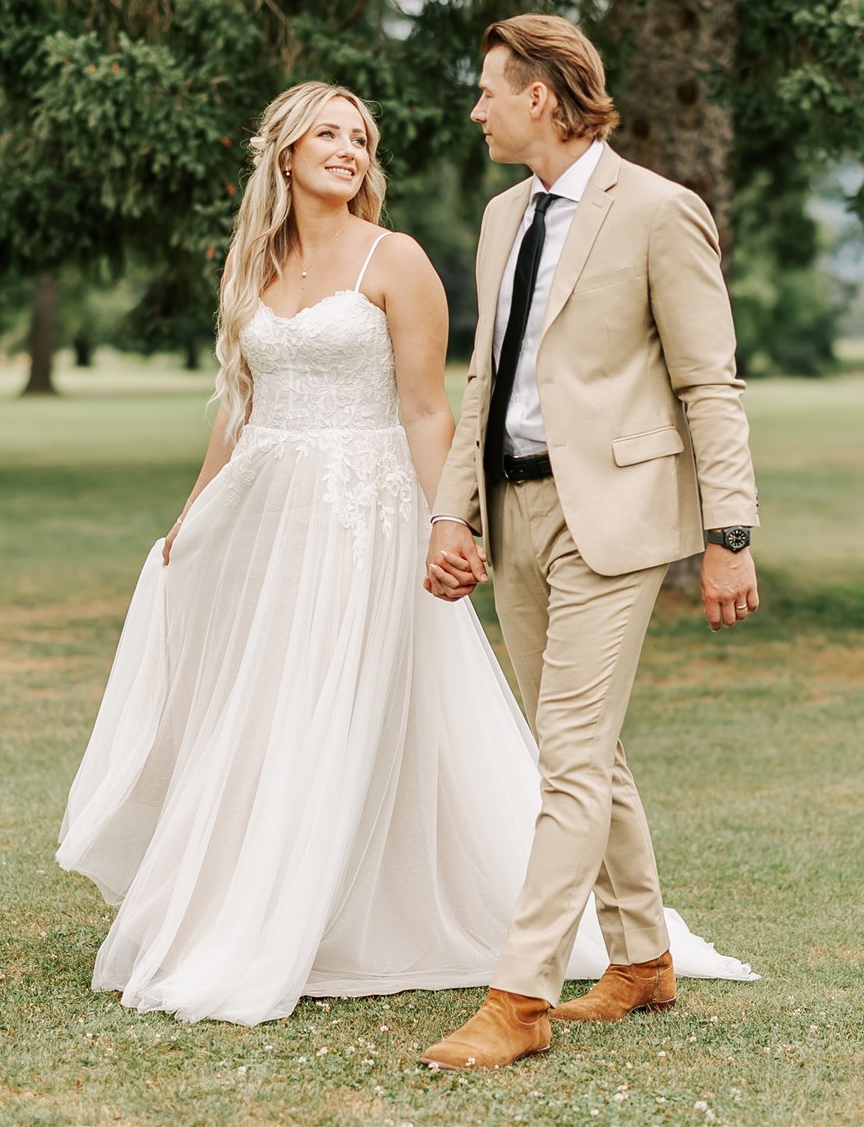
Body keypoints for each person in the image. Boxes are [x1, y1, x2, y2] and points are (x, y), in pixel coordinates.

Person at [56, 80, 752, 1027]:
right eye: (328, 135)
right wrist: (194, 511)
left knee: (380, 711)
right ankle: (254, 900)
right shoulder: (254, 262)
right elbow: (237, 400)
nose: (348, 149)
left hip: (364, 513)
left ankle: (516, 969)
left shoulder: (399, 257)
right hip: (268, 515)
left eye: (360, 137)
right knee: (264, 709)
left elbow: (434, 406)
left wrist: (448, 520)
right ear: (286, 154)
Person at [419, 15, 762, 1070]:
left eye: (487, 91)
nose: (474, 110)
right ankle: (641, 957)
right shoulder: (498, 216)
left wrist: (728, 534)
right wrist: (452, 510)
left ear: (541, 98)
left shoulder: (659, 211)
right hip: (509, 508)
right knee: (581, 748)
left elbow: (710, 381)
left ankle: (517, 999)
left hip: (609, 522)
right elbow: (483, 377)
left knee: (564, 759)